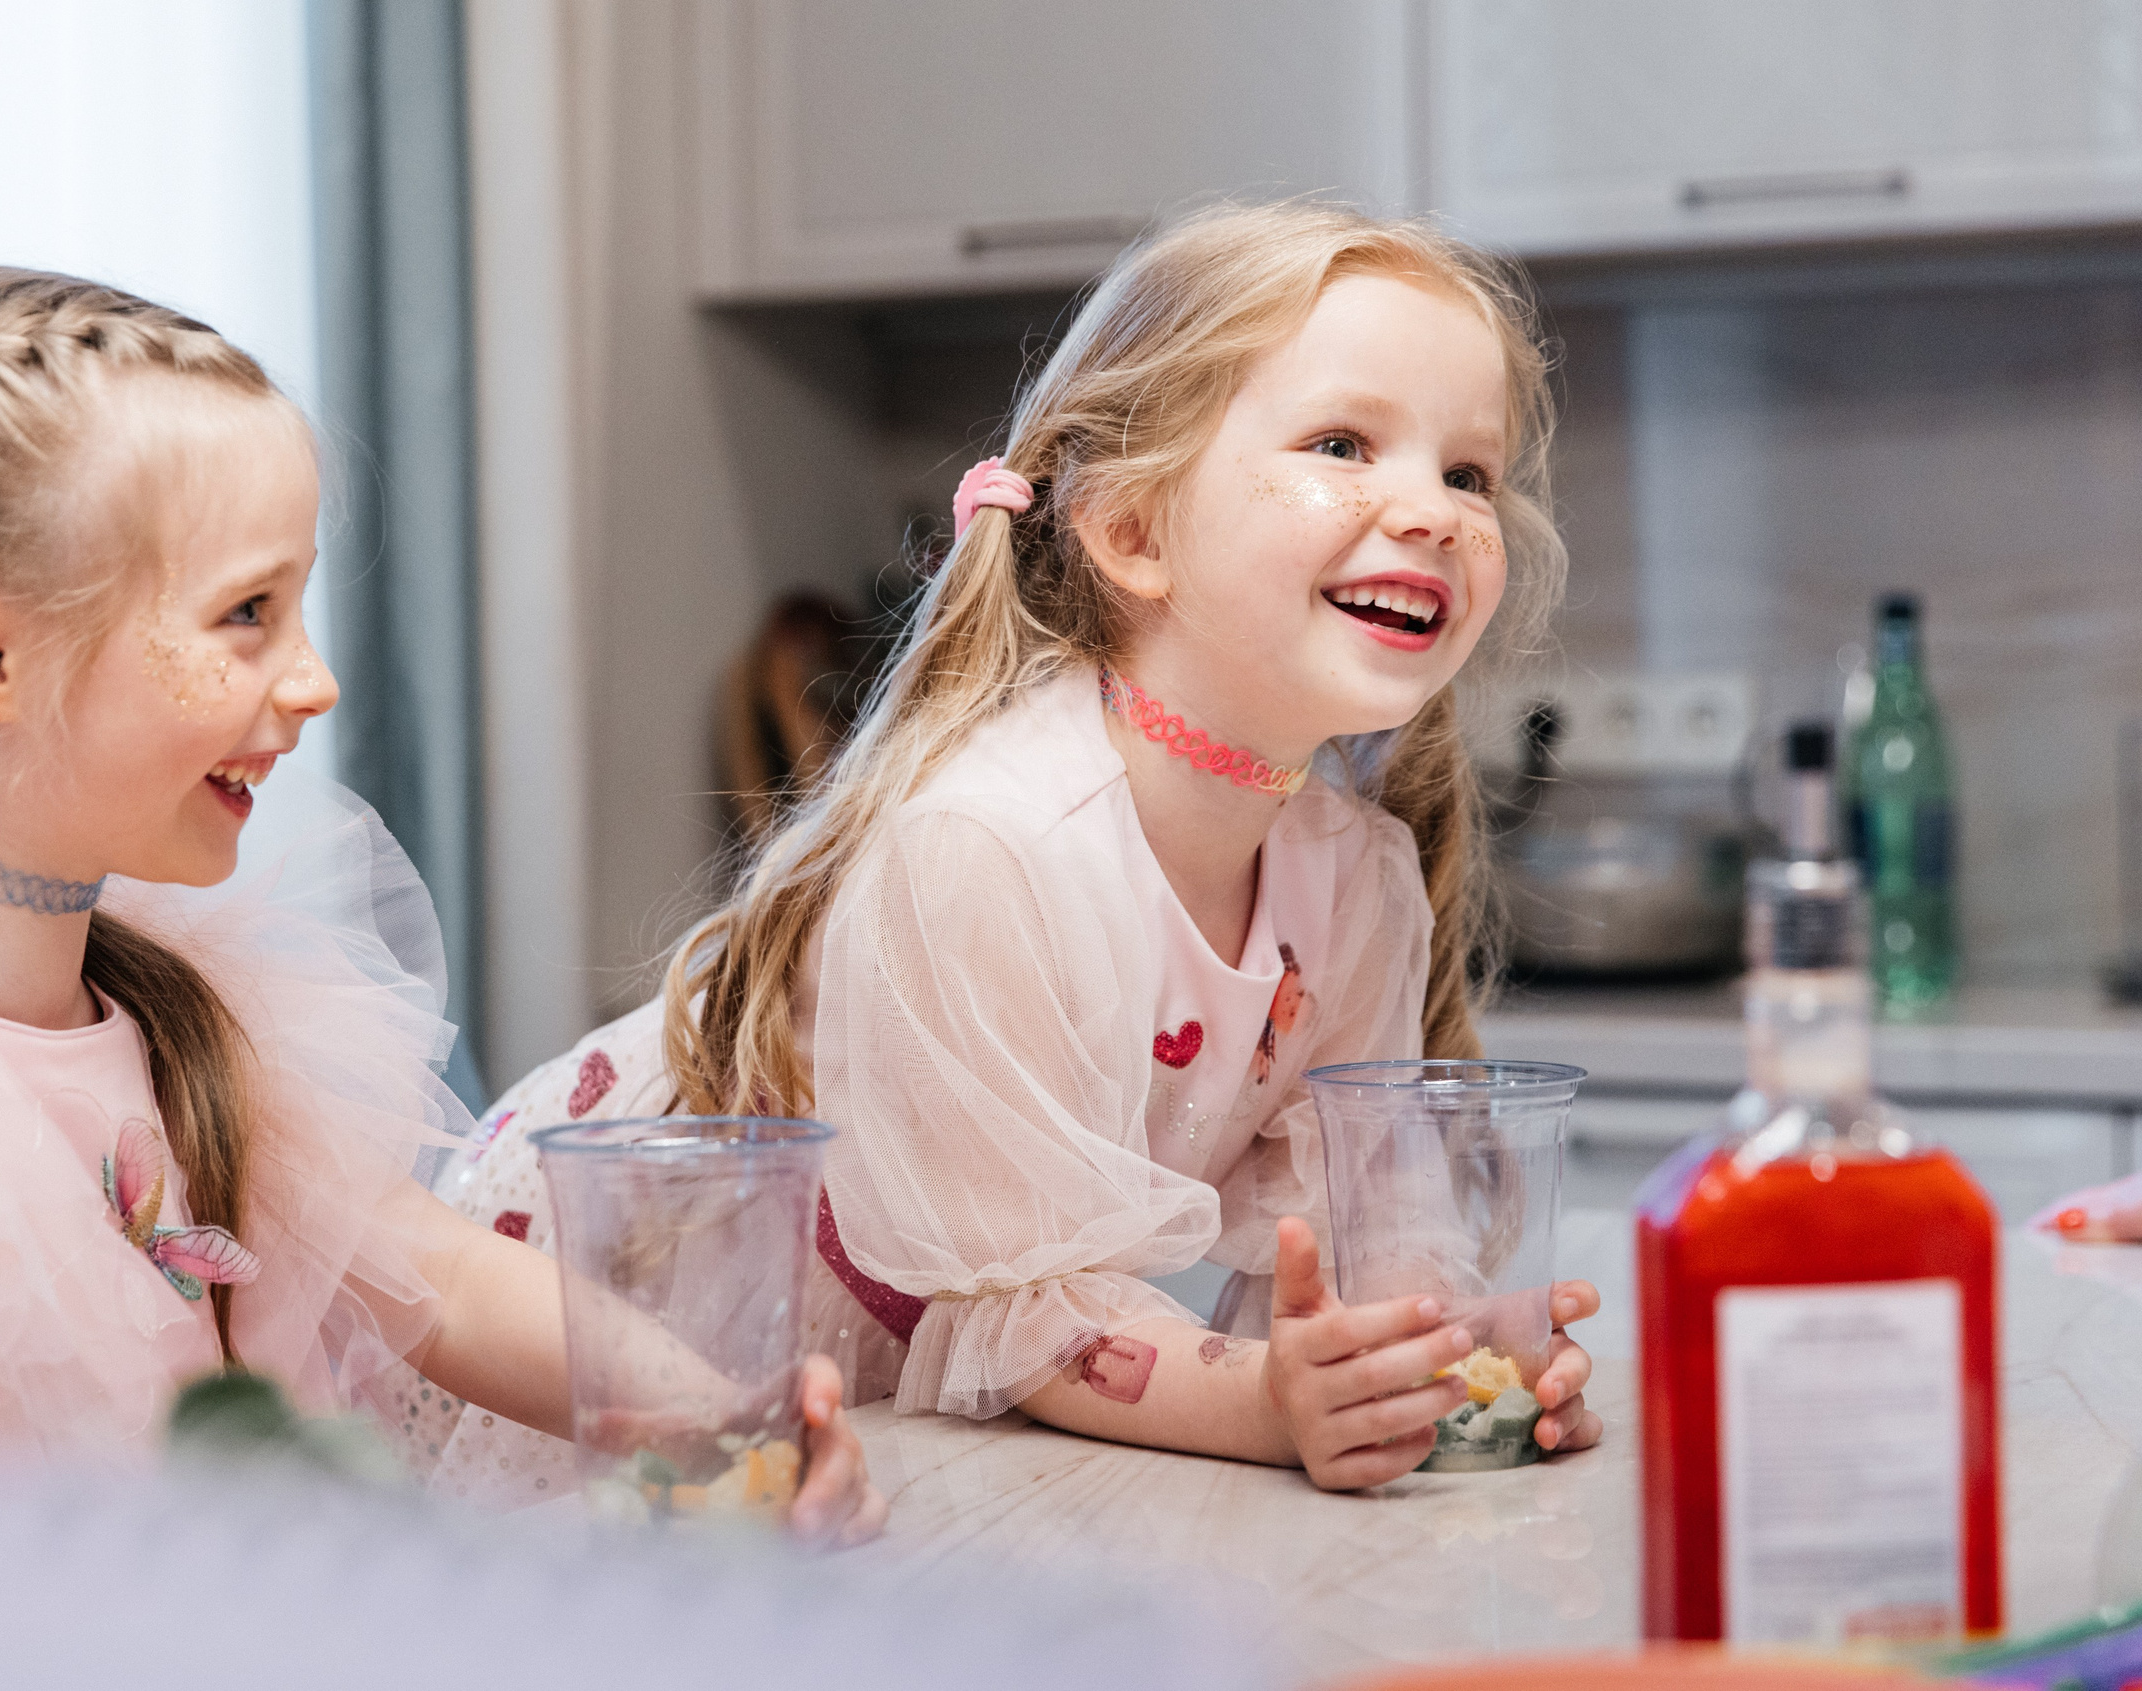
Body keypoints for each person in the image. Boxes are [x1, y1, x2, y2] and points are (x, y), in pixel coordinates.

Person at [0, 270, 882, 1678]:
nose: (314, 679)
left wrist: (715, 1422)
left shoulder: (182, 1003)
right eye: (247, 614)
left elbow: (434, 1277)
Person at [443, 203, 1605, 1500]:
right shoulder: (985, 845)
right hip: (608, 1330)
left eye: (1469, 474)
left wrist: (1441, 1370)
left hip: (885, 1414)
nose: (1435, 512)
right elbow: (1020, 1320)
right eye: (1344, 443)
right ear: (1132, 532)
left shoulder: (1358, 880)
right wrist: (1271, 1406)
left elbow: (1346, 1251)